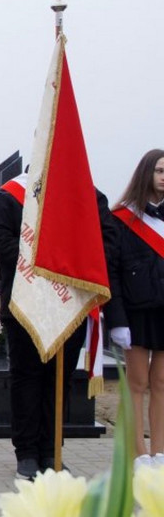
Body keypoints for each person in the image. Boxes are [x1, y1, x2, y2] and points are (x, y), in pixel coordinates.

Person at [0, 169, 117, 479]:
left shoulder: (88, 195)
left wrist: (78, 267)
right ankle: (27, 452)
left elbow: (107, 240)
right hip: (25, 302)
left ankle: (51, 451)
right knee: (27, 378)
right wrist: (37, 263)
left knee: (59, 380)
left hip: (68, 305)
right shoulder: (12, 195)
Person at [106, 149, 164, 468]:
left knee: (162, 382)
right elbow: (111, 270)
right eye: (158, 170)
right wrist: (116, 319)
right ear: (146, 174)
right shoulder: (123, 218)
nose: (163, 177)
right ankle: (137, 452)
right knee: (137, 382)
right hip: (135, 312)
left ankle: (160, 451)